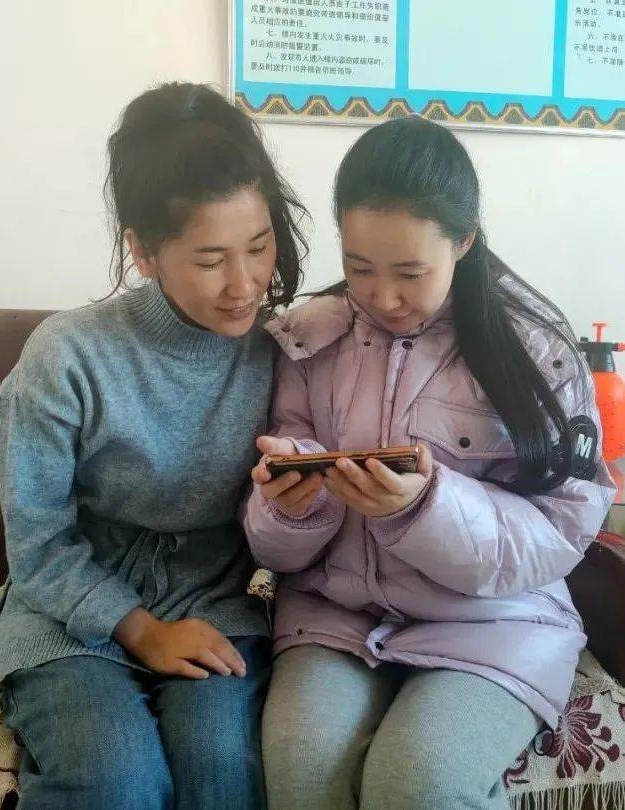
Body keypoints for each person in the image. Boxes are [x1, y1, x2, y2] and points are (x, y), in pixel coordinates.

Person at [242, 116, 616, 810]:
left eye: (411, 273)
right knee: (301, 770)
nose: (382, 297)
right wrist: (290, 506)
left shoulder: (535, 350)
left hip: (495, 625)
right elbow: (274, 548)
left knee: (419, 783)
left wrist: (425, 509)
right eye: (359, 268)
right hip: (335, 616)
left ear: (464, 241)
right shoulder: (305, 340)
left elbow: (564, 527)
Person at [0, 81, 307, 810]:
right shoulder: (67, 357)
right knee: (114, 781)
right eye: (210, 259)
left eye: (260, 247)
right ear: (143, 251)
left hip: (214, 608)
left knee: (220, 771)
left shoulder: (285, 349)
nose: (245, 284)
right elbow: (38, 545)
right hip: (69, 619)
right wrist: (143, 631)